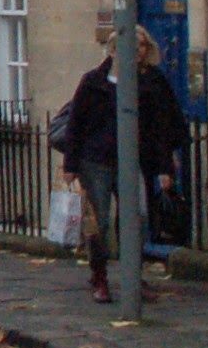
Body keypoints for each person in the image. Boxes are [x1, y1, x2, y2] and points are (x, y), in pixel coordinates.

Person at [59, 29, 188, 306]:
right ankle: (99, 276)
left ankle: (133, 276)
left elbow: (162, 127)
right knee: (100, 222)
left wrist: (166, 165)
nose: (138, 50)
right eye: (132, 45)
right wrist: (70, 164)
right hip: (96, 161)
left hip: (133, 161)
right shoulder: (94, 81)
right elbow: (76, 124)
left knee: (137, 215)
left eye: (142, 45)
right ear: (114, 49)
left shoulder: (151, 81)